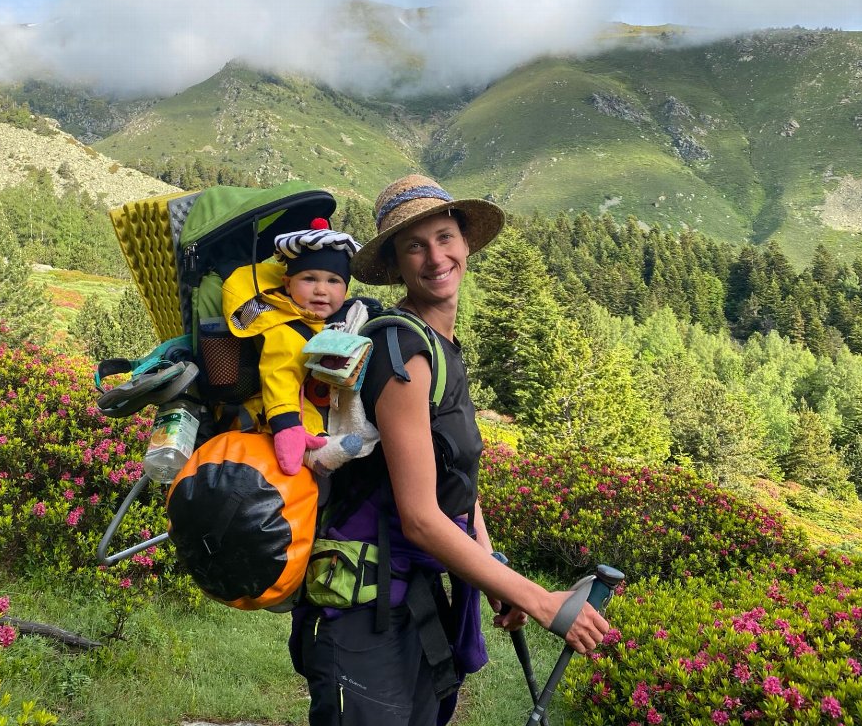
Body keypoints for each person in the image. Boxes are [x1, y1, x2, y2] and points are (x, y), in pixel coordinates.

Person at [290, 175, 609, 726]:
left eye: (444, 237)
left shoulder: (441, 349)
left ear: (465, 243)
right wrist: (539, 601)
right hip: (365, 612)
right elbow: (419, 518)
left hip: (410, 603)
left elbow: (455, 481)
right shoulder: (403, 352)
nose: (435, 256)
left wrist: (490, 571)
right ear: (396, 262)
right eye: (415, 245)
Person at [222, 217, 363, 475]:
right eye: (309, 279)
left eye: (333, 281)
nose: (321, 290)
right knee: (301, 411)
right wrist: (286, 425)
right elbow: (281, 375)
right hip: (265, 405)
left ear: (346, 289)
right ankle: (314, 451)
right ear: (288, 284)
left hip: (302, 394)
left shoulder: (312, 315)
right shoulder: (284, 326)